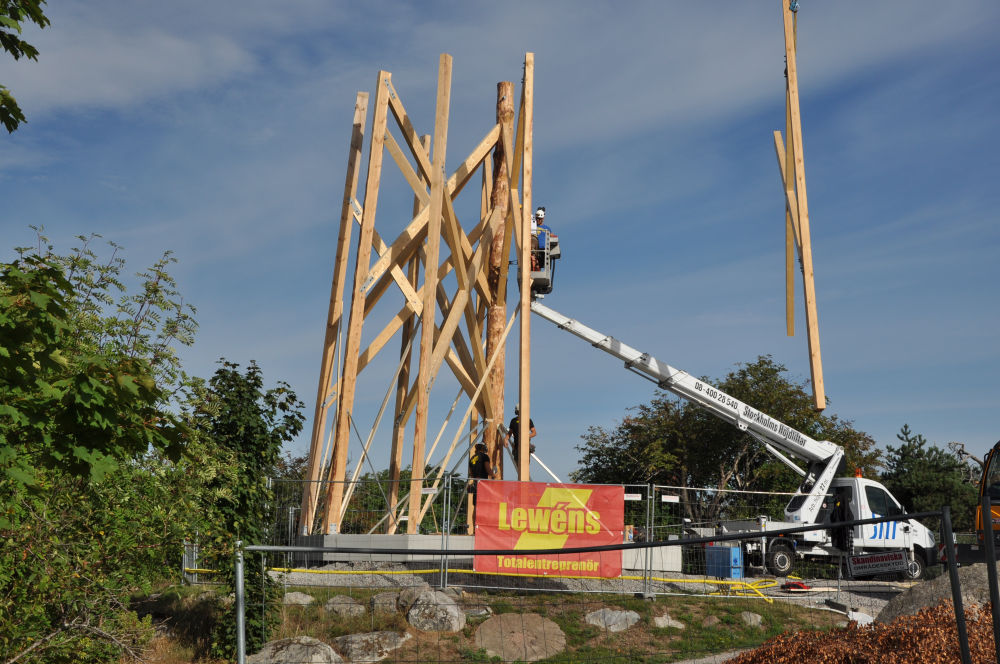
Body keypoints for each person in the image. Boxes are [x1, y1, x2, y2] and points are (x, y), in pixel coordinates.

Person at [468, 442, 497, 526]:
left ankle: (475, 528)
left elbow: (471, 475)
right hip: (483, 485)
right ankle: (484, 526)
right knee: (485, 505)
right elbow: (488, 469)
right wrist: (494, 475)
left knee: (476, 507)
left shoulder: (472, 458)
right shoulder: (484, 457)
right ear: (484, 449)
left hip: (476, 484)